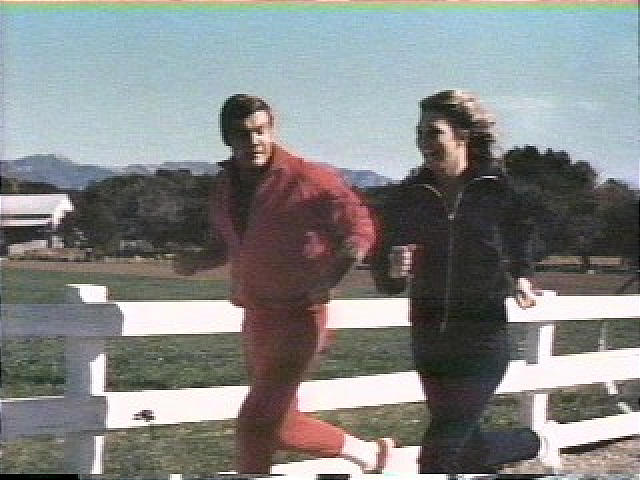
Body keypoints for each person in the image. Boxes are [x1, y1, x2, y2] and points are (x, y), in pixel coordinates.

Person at [174, 94, 394, 474]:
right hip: (258, 315)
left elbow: (360, 228)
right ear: (227, 138)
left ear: (272, 129)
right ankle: (370, 454)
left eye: (261, 131)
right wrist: (198, 261)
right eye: (243, 134)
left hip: (300, 317)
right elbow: (234, 244)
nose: (254, 141)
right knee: (278, 422)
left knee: (255, 421)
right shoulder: (226, 186)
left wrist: (332, 275)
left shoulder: (308, 178)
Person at [371, 89, 541, 473]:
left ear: (462, 135)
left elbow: (521, 236)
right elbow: (386, 272)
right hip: (429, 339)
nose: (423, 142)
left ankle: (528, 443)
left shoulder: (496, 189)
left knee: (439, 452)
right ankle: (532, 442)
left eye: (434, 133)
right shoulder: (409, 197)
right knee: (463, 445)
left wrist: (522, 275)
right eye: (419, 133)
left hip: (481, 336)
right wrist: (393, 270)